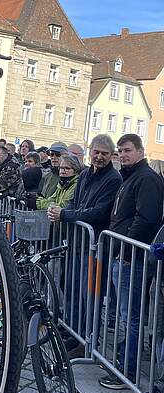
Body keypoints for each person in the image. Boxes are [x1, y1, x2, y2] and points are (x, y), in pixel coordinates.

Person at [98, 134, 164, 389]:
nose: (122, 155)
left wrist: (124, 248)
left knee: (131, 317)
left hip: (131, 258)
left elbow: (146, 220)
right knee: (128, 315)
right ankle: (125, 365)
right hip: (123, 256)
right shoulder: (131, 177)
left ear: (140, 151)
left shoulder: (146, 178)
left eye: (127, 151)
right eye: (120, 151)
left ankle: (128, 370)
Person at [48, 134, 122, 355]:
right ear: (90, 152)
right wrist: (62, 210)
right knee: (71, 291)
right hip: (76, 243)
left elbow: (99, 212)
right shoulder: (86, 174)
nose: (99, 157)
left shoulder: (113, 179)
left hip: (93, 247)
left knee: (88, 297)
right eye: (96, 152)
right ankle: (73, 332)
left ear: (111, 155)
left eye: (104, 154)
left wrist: (67, 215)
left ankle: (86, 342)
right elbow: (75, 201)